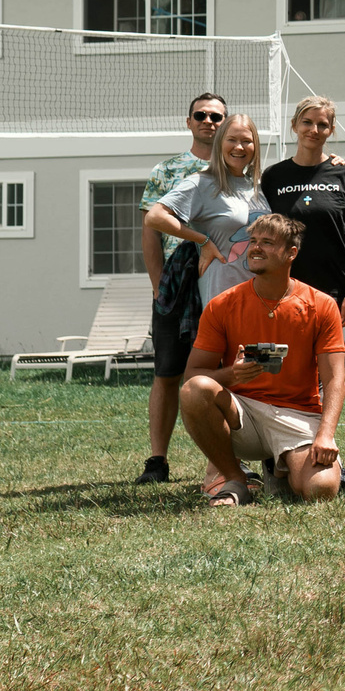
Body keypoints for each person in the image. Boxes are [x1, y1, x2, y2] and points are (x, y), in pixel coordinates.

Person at [179, 214, 345, 506]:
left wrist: (326, 435)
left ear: (291, 253)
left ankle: (279, 468)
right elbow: (193, 375)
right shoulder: (222, 304)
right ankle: (235, 479)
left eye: (268, 243)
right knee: (195, 391)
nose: (255, 248)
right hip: (241, 415)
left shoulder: (320, 305)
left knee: (320, 490)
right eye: (253, 241)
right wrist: (234, 374)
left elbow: (334, 378)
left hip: (298, 414)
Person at [138, 90, 225, 484]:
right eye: (201, 115)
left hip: (224, 284)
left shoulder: (237, 167)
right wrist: (159, 287)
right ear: (188, 121)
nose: (209, 122)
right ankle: (157, 461)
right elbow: (149, 231)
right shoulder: (168, 170)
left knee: (225, 369)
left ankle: (224, 462)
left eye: (217, 117)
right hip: (178, 282)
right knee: (168, 372)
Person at [260, 95, 345, 325]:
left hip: (331, 289)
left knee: (327, 360)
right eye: (307, 122)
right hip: (283, 289)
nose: (314, 130)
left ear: (331, 130)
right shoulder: (273, 176)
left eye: (322, 124)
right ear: (294, 125)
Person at [146, 113, 268, 308]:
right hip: (221, 299)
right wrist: (202, 241)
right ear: (220, 143)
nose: (239, 147)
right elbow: (155, 217)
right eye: (232, 140)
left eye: (247, 141)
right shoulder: (202, 183)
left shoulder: (259, 185)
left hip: (260, 297)